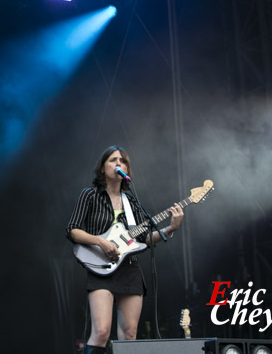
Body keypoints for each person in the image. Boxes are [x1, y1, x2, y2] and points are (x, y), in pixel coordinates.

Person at [65, 146, 184, 354]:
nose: (118, 163)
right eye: (113, 160)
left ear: (127, 170)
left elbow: (143, 240)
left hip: (129, 270)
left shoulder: (132, 203)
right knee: (101, 331)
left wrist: (171, 228)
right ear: (102, 168)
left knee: (130, 334)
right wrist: (101, 242)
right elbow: (72, 230)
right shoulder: (90, 195)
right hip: (100, 267)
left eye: (123, 161)